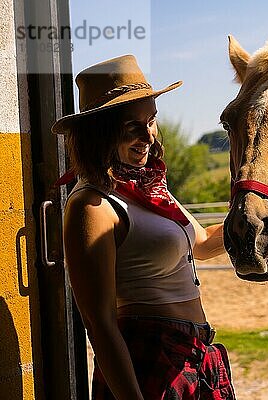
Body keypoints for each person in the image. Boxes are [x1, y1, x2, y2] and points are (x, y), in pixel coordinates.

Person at [52, 55, 236, 400]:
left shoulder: (148, 189)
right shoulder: (91, 206)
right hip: (148, 358)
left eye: (150, 121)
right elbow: (101, 325)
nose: (147, 135)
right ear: (99, 131)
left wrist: (256, 217)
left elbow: (203, 243)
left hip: (194, 356)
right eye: (131, 126)